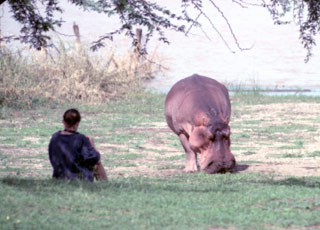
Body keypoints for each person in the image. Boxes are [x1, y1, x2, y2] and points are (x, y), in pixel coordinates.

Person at [48, 108, 108, 182]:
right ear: (78, 123)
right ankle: (106, 184)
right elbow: (95, 160)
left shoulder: (55, 137)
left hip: (60, 176)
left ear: (63, 122)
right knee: (97, 165)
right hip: (79, 178)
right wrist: (92, 144)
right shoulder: (81, 139)